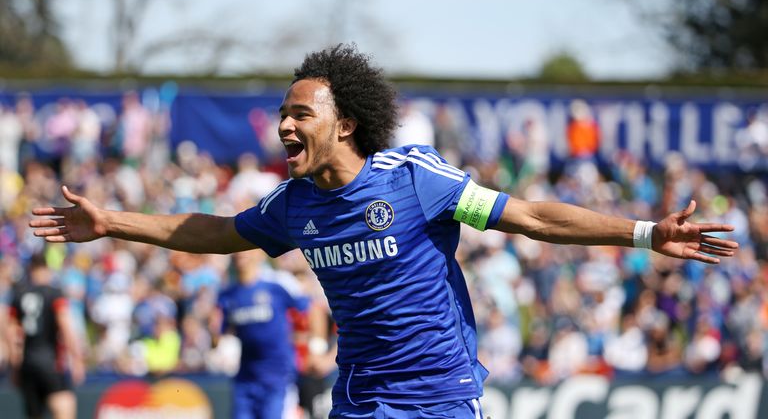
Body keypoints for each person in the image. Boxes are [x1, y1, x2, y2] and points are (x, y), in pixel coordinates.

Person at [29, 44, 739, 418]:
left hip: (439, 397)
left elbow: (528, 215)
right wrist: (112, 221)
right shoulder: (292, 204)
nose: (284, 125)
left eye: (299, 115)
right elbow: (215, 231)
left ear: (344, 124)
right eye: (282, 113)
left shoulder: (414, 179)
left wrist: (642, 232)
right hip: (360, 400)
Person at [209, 248, 312, 419]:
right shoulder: (227, 295)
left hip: (278, 376)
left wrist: (313, 344)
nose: (240, 255)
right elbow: (216, 341)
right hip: (246, 378)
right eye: (237, 251)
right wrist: (213, 328)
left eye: (245, 250)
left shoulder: (276, 286)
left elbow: (309, 308)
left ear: (259, 254)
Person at [6, 252, 85, 419]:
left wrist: (15, 367)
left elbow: (12, 334)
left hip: (28, 364)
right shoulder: (54, 294)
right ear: (47, 269)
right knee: (65, 408)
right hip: (51, 363)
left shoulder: (18, 295)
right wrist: (77, 359)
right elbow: (66, 327)